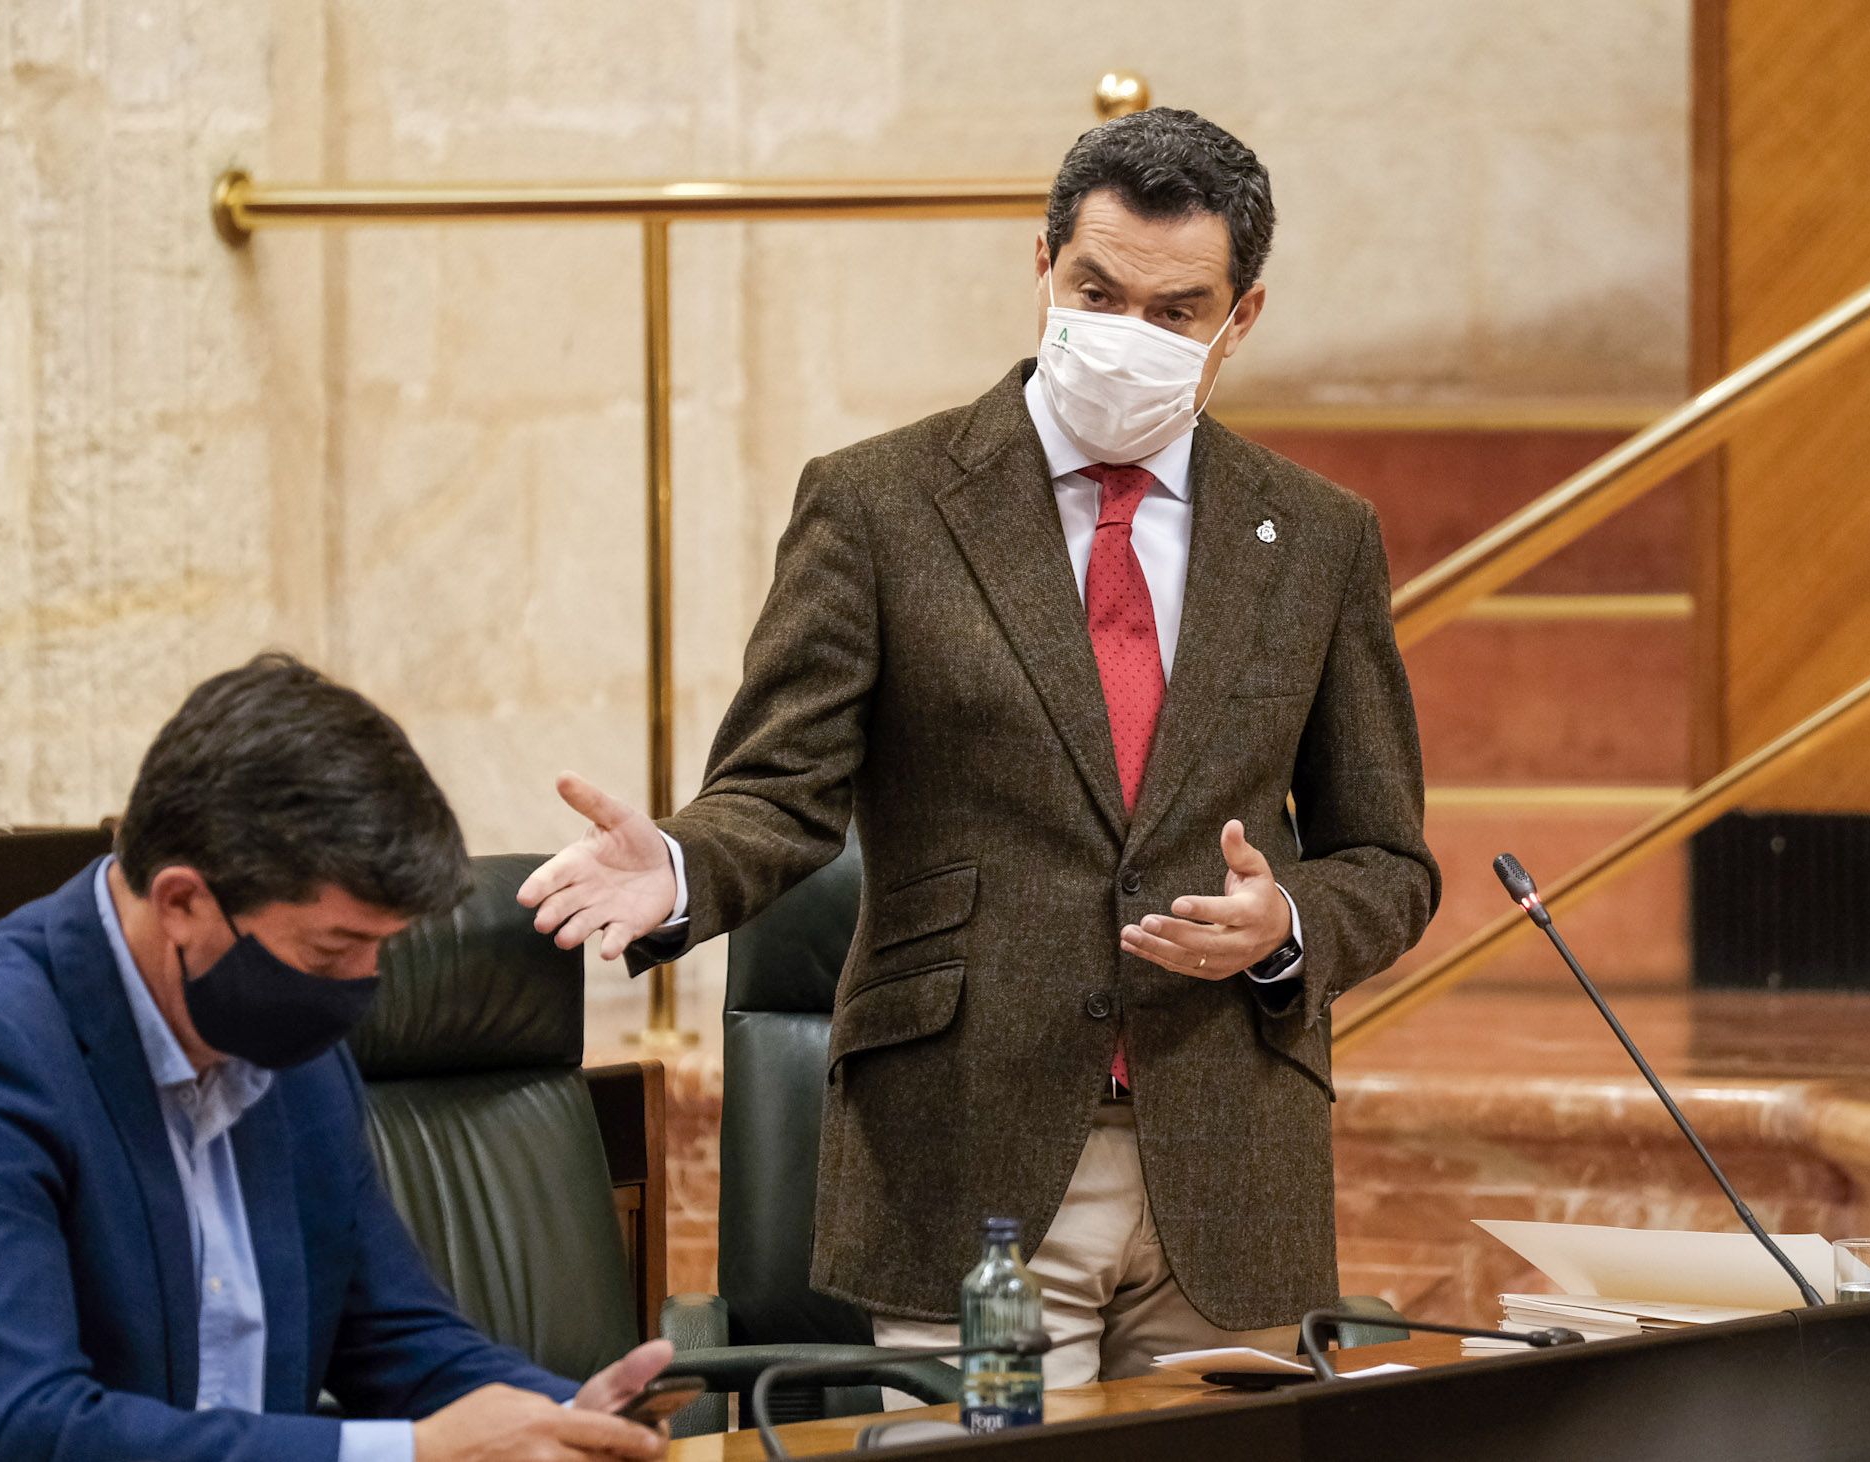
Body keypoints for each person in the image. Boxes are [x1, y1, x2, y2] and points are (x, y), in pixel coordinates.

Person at [521, 108, 1440, 1384]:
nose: (1126, 332)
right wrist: (677, 865)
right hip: (967, 1154)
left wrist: (1286, 924)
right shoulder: (878, 504)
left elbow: (1386, 859)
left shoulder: (1319, 536)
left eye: (1173, 311)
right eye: (1096, 292)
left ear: (1241, 318)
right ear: (1042, 265)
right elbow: (779, 790)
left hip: (1229, 1157)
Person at [0, 654, 670, 1462]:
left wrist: (566, 1421)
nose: (362, 986)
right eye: (331, 951)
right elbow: (29, 1431)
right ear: (182, 901)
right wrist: (415, 1453)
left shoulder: (292, 1052)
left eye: (379, 950)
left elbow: (400, 1341)